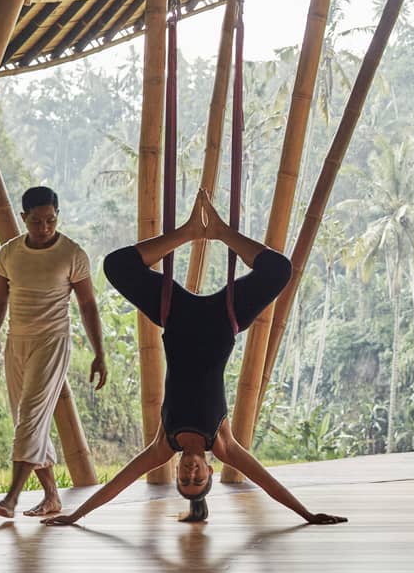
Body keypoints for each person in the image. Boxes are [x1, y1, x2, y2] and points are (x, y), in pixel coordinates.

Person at [44, 192, 345, 527]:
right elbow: (266, 482)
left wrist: (75, 516)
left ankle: (188, 232)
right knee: (279, 270)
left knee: (116, 266)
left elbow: (119, 482)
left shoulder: (164, 444)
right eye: (197, 478)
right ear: (208, 470)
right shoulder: (223, 444)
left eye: (184, 479)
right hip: (224, 317)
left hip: (176, 315)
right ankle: (220, 231)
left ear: (176, 473)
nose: (190, 473)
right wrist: (307, 514)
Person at [0, 186, 108, 518]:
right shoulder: (9, 253)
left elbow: (88, 305)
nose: (45, 228)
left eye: (50, 220)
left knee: (30, 419)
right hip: (16, 343)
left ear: (57, 216)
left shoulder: (72, 254)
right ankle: (51, 497)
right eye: (36, 221)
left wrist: (99, 353)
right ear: (23, 218)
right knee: (26, 421)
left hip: (52, 343)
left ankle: (11, 499)